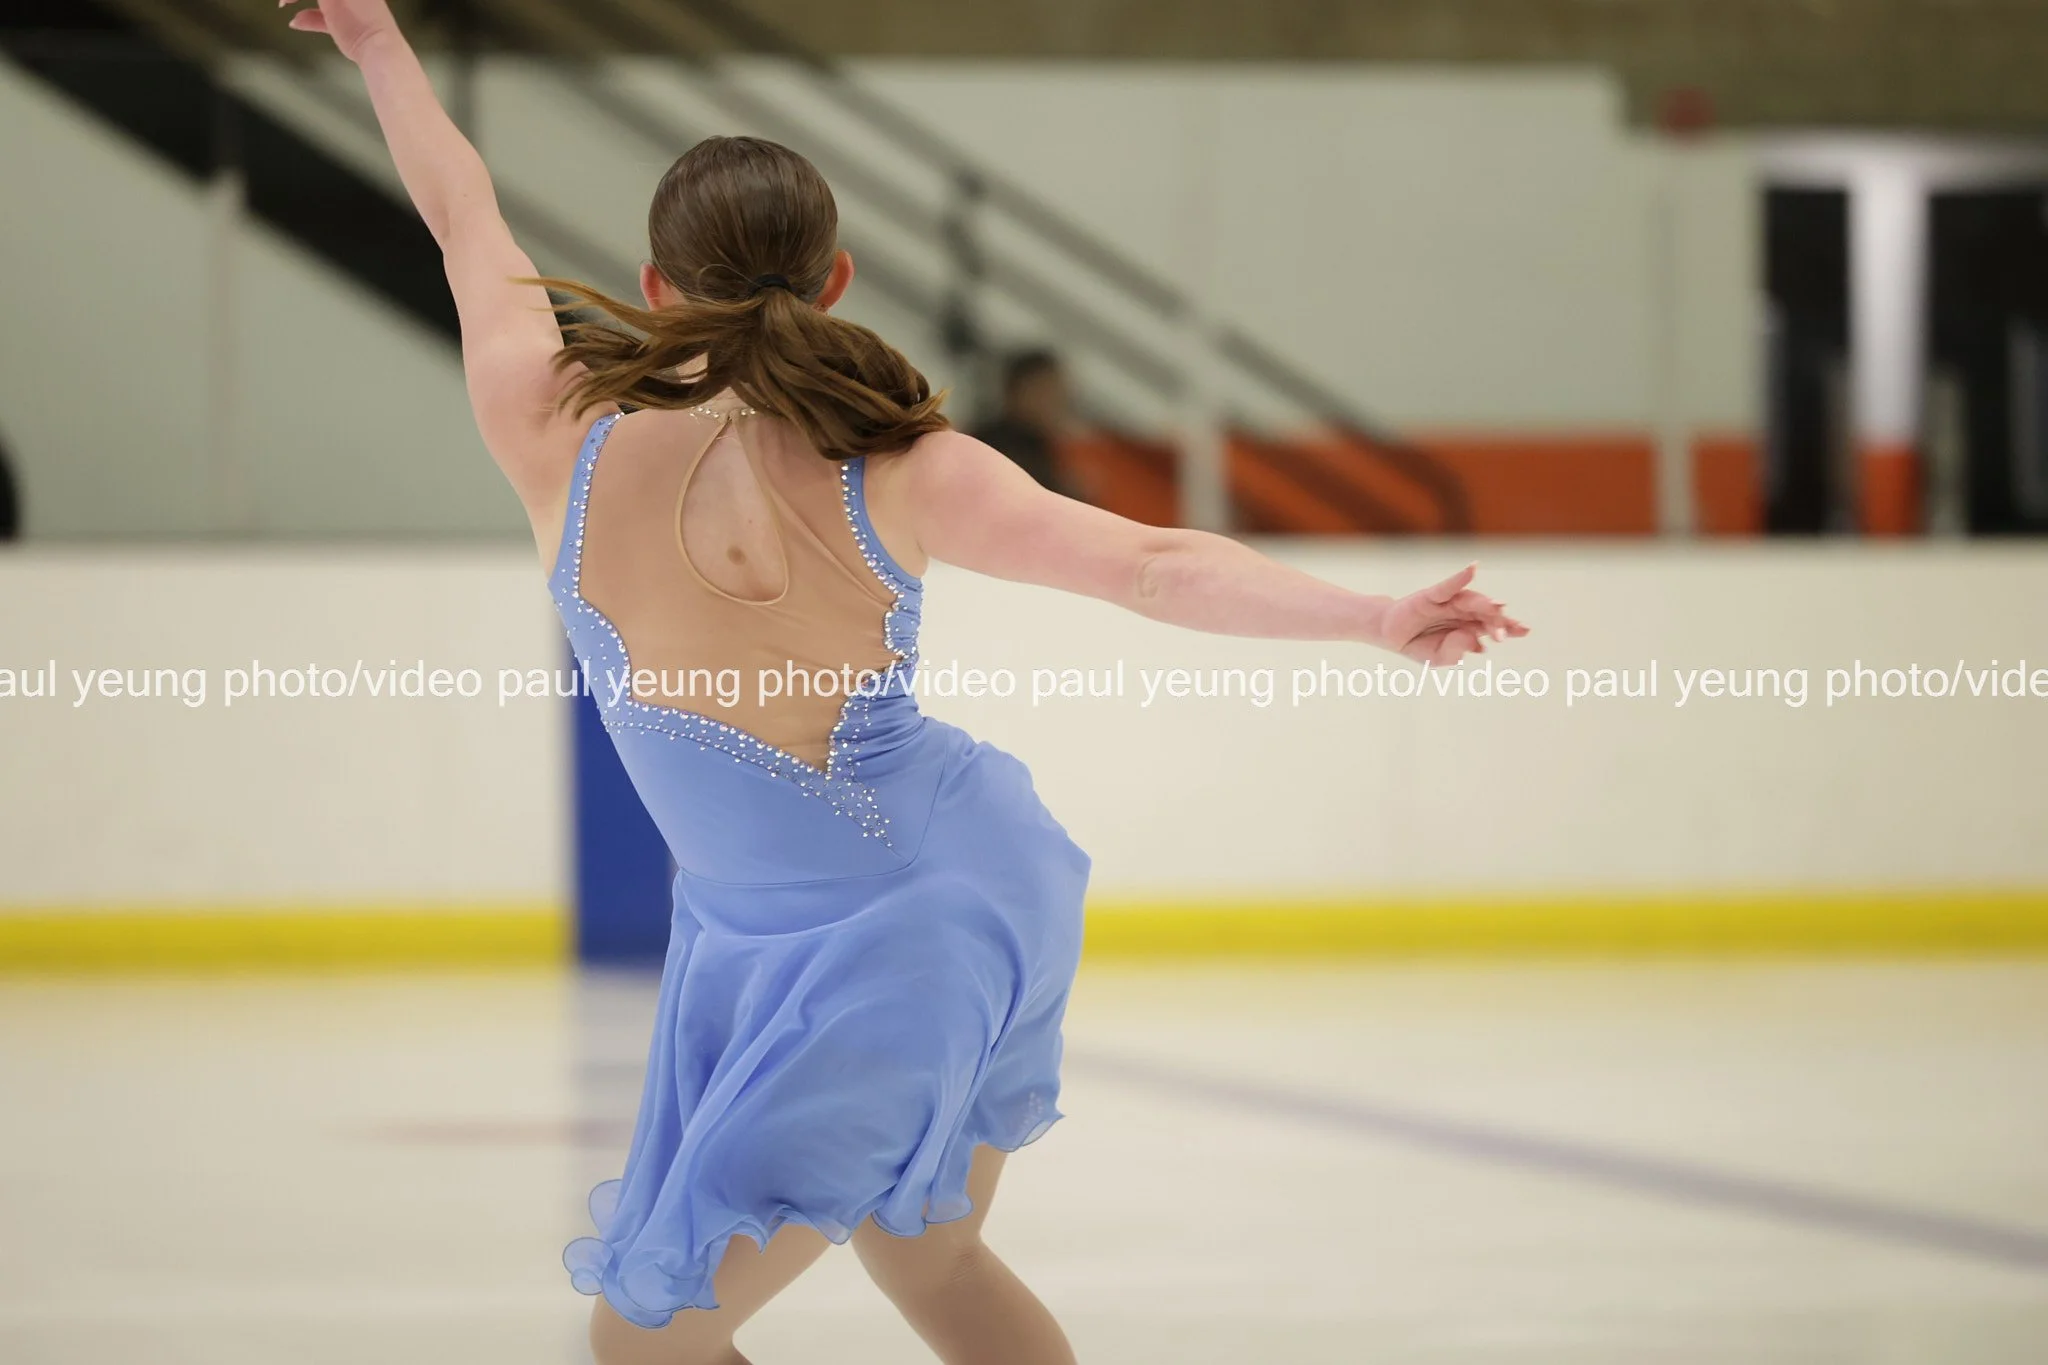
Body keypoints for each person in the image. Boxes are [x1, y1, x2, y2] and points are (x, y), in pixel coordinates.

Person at [284, 4, 1527, 1362]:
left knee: (646, 1341)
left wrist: (378, 44)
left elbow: (463, 219)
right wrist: (1372, 616)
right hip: (946, 887)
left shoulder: (551, 432)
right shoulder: (905, 469)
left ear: (652, 284)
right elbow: (1154, 566)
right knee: (929, 1259)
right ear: (835, 281)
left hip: (897, 945)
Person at [971, 349, 1074, 495]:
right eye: (1042, 392)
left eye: (1056, 393)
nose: (1052, 403)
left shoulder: (1044, 446)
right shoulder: (996, 448)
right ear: (1014, 392)